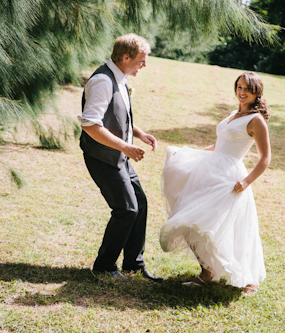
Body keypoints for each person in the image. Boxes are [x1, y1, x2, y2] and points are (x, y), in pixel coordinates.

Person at [159, 72, 271, 296]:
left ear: (256, 93)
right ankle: (207, 271)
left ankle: (248, 278)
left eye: (246, 89)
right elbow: (220, 144)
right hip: (209, 169)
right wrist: (193, 153)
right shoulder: (233, 114)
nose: (241, 92)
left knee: (224, 227)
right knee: (191, 219)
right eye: (238, 87)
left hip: (229, 177)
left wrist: (247, 181)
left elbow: (265, 158)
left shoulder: (255, 120)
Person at [78, 33, 162, 282]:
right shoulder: (103, 81)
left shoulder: (121, 77)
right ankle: (104, 266)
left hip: (119, 154)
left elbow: (116, 116)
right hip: (103, 157)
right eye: (141, 61)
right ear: (125, 57)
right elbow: (91, 125)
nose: (144, 66)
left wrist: (139, 133)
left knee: (140, 203)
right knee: (126, 209)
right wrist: (126, 147)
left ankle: (133, 264)